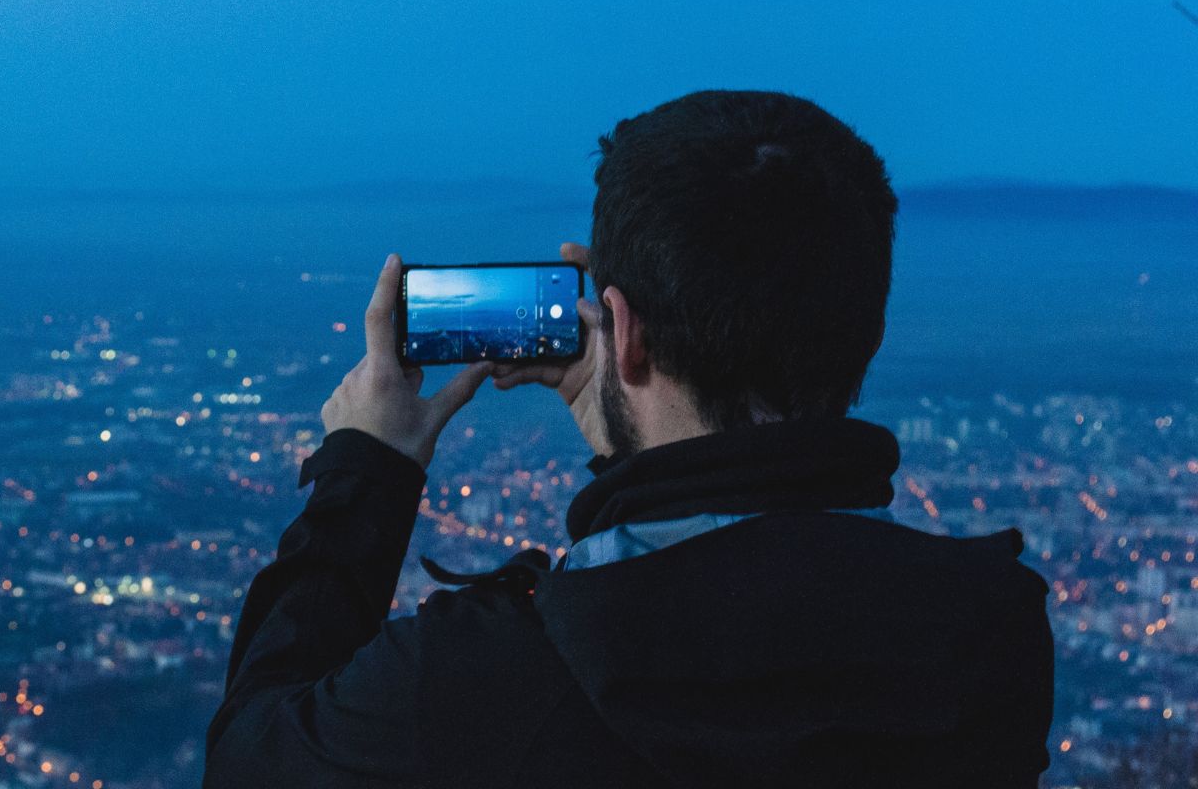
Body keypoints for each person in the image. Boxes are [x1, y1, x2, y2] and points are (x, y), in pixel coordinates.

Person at [203, 90, 1054, 788]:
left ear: (623, 332)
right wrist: (631, 442)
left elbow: (249, 758)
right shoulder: (992, 641)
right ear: (861, 332)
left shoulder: (485, 682)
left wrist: (368, 470)